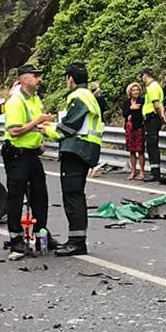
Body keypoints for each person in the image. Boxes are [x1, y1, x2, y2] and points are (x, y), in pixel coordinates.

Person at [2, 64, 56, 256]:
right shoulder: (16, 101)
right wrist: (37, 122)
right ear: (24, 79)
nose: (39, 79)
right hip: (17, 153)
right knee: (16, 196)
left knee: (40, 195)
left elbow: (34, 126)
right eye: (35, 76)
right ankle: (15, 237)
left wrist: (43, 134)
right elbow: (14, 131)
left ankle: (42, 233)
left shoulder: (35, 99)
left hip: (32, 153)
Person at [52, 63, 103, 257]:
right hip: (85, 150)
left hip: (76, 150)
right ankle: (76, 239)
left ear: (70, 79)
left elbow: (69, 126)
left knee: (72, 195)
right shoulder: (88, 95)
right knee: (76, 195)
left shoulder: (77, 96)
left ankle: (77, 242)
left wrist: (47, 129)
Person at [140, 68, 166, 182]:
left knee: (152, 146)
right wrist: (163, 117)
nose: (142, 79)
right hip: (154, 118)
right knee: (152, 145)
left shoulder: (152, 87)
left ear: (145, 75)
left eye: (142, 76)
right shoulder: (156, 86)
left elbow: (156, 105)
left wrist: (161, 117)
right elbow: (160, 105)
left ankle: (155, 173)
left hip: (152, 118)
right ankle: (155, 172)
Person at [122, 82, 146, 180]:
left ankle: (142, 171)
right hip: (129, 128)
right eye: (134, 90)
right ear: (130, 92)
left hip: (139, 127)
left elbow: (142, 113)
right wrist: (131, 108)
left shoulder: (142, 100)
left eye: (137, 90)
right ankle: (133, 171)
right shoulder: (126, 102)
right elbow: (124, 114)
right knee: (131, 151)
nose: (136, 92)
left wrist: (134, 111)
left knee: (140, 150)